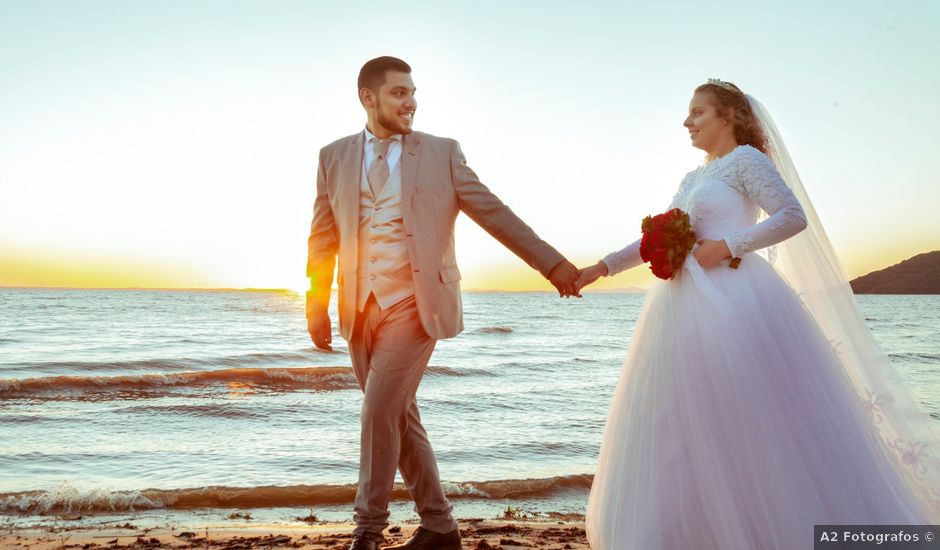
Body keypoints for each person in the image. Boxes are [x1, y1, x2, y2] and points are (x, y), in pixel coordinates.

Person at [576, 79, 940, 549]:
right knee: (681, 420)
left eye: (697, 112)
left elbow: (791, 215)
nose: (687, 122)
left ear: (728, 116)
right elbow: (657, 240)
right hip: (681, 308)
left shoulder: (745, 161)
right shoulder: (692, 178)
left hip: (735, 301)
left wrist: (729, 245)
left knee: (743, 417)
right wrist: (600, 268)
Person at [305, 56, 580, 550]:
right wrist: (315, 301)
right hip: (359, 306)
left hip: (416, 302)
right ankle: (440, 527)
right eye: (399, 93)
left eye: (412, 92)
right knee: (398, 415)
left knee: (377, 411)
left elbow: (495, 213)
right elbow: (323, 237)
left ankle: (367, 530)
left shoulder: (441, 153)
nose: (410, 102)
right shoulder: (333, 156)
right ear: (368, 98)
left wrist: (553, 265)